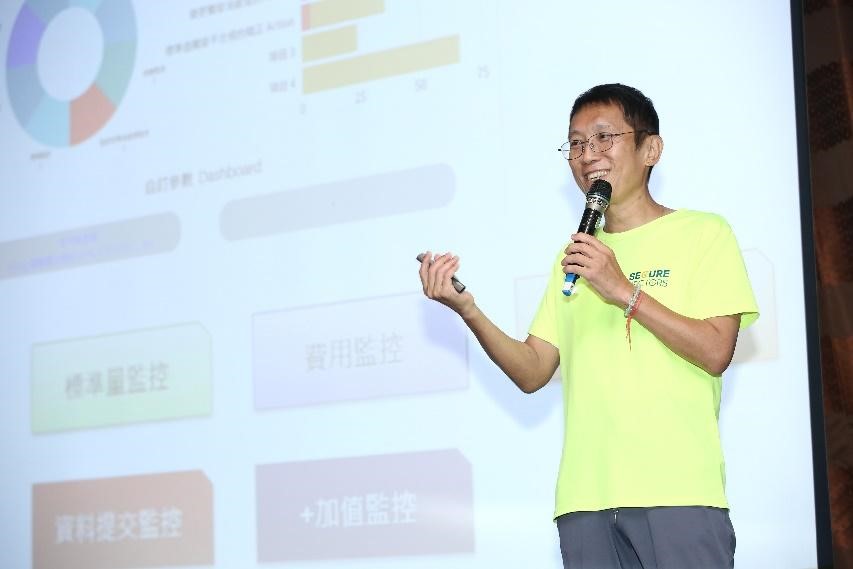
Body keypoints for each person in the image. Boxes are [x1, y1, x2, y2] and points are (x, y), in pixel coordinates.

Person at [418, 83, 759, 569]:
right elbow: (533, 370)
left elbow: (716, 350)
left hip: (678, 495)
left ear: (651, 149)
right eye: (576, 144)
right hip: (584, 505)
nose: (588, 155)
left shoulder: (704, 233)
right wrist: (467, 309)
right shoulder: (574, 258)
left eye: (604, 138)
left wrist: (622, 289)